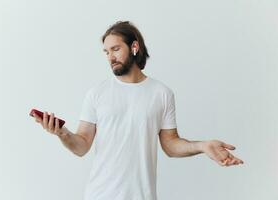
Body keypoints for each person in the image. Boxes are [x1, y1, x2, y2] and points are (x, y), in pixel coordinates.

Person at [32, 21, 244, 200]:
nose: (110, 57)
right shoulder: (97, 93)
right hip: (100, 195)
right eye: (106, 52)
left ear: (134, 47)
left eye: (115, 49)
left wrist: (203, 146)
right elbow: (81, 146)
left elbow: (170, 145)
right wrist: (62, 133)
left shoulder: (162, 93)